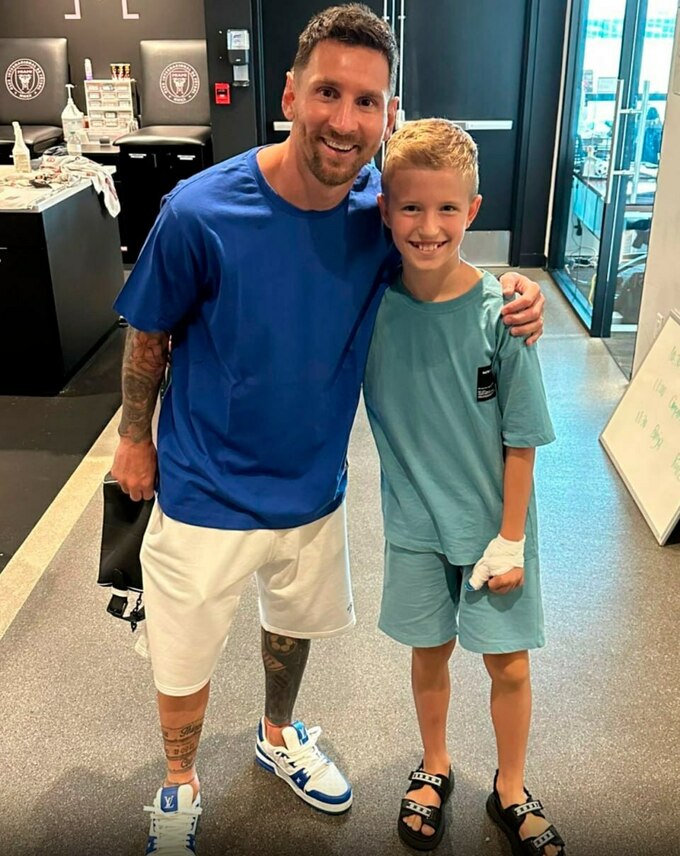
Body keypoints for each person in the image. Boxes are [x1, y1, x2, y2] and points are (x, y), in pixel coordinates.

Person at [110, 6, 545, 854]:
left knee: (291, 626)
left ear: (389, 113)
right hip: (205, 487)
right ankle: (178, 783)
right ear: (290, 95)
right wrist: (134, 437)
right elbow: (149, 330)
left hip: (314, 489)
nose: (345, 120)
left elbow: (439, 253)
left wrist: (514, 291)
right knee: (183, 653)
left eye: (366, 101)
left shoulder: (378, 213)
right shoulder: (199, 211)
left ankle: (278, 735)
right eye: (327, 93)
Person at [363, 118, 564, 854]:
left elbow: (522, 437)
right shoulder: (369, 308)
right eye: (411, 208)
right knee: (430, 651)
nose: (428, 227)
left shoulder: (503, 314)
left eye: (447, 208)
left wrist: (510, 538)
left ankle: (511, 786)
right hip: (414, 523)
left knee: (507, 663)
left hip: (492, 525)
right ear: (385, 210)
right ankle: (435, 763)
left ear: (472, 211)